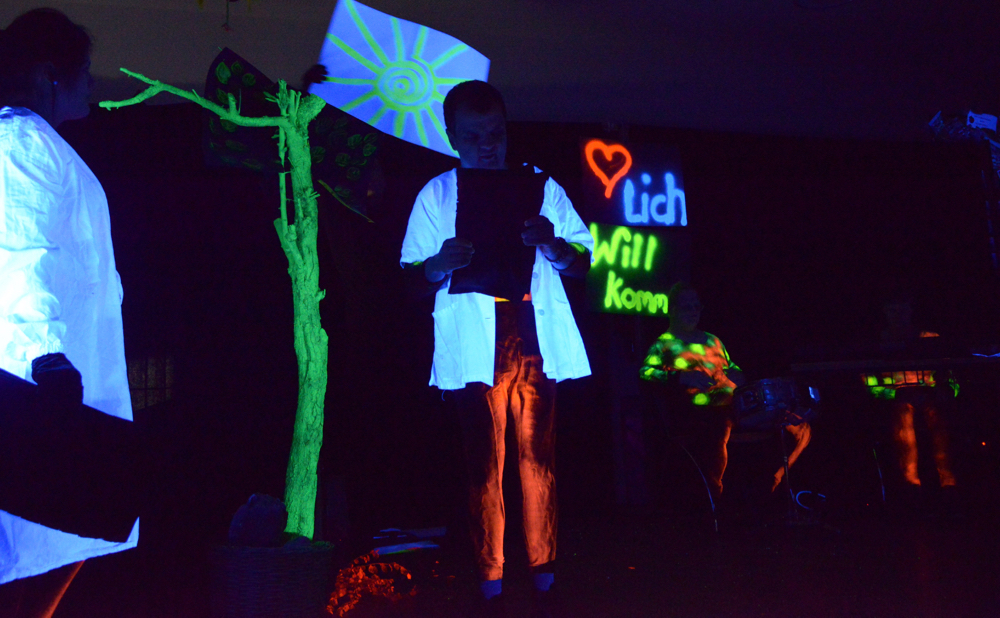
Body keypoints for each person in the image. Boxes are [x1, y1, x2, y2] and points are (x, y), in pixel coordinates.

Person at [400, 80, 592, 612]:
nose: (488, 145)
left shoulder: (540, 185)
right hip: (477, 342)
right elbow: (411, 278)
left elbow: (583, 260)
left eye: (496, 133)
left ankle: (544, 574)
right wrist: (440, 263)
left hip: (534, 333)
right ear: (451, 136)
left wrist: (552, 243)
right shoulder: (438, 194)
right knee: (484, 464)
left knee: (538, 458)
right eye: (474, 136)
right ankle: (491, 579)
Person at [0, 9, 137, 616]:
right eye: (85, 70)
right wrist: (44, 356)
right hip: (34, 386)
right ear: (49, 74)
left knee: (58, 539)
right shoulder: (20, 142)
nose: (93, 83)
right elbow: (18, 247)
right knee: (38, 540)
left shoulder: (34, 143)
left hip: (54, 380)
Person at [862, 297, 956, 497]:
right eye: (893, 310)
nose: (898, 316)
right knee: (903, 414)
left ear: (910, 311)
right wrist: (891, 393)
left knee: (938, 418)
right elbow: (869, 381)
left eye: (902, 310)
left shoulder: (931, 338)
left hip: (930, 395)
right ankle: (910, 481)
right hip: (895, 398)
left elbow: (949, 374)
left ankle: (948, 480)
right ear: (885, 313)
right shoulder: (876, 343)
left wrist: (944, 390)